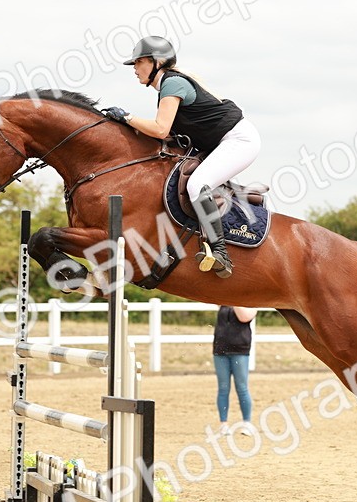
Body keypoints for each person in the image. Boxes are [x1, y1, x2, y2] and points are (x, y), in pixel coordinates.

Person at [100, 36, 261, 279]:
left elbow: (160, 129)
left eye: (138, 62)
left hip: (239, 140)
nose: (134, 68)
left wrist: (126, 117)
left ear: (157, 62)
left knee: (197, 185)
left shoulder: (172, 83)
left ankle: (220, 252)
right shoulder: (168, 85)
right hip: (221, 142)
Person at [212, 305, 257, 434]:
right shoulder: (223, 304)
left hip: (240, 350)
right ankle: (223, 423)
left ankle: (246, 422)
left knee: (242, 387)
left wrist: (234, 299)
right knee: (223, 388)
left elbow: (244, 317)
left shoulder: (251, 304)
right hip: (220, 350)